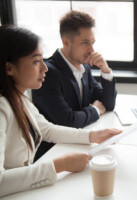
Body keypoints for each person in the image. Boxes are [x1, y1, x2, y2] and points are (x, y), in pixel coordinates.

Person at [0, 25, 122, 197]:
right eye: (36, 61)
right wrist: (59, 165)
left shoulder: (19, 98)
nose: (45, 68)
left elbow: (48, 129)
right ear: (9, 68)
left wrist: (92, 136)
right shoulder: (2, 107)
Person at [32, 10, 117, 159]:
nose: (92, 50)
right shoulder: (48, 73)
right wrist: (95, 110)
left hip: (78, 143)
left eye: (92, 43)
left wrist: (105, 70)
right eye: (85, 43)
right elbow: (67, 121)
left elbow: (108, 104)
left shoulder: (84, 67)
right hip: (53, 153)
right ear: (66, 42)